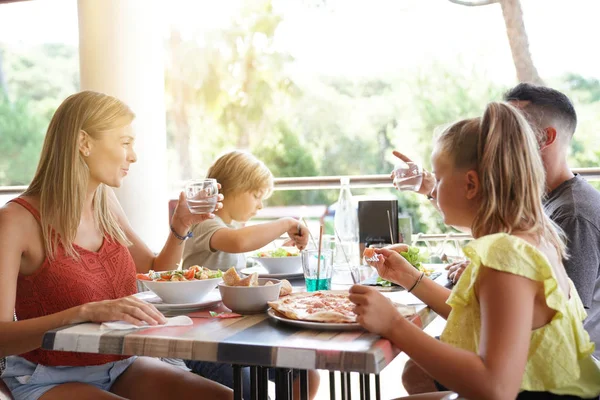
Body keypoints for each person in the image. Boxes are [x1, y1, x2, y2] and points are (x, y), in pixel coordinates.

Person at [350, 102, 600, 399]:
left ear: (470, 184)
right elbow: (485, 315)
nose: (434, 189)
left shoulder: (507, 254)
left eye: (438, 179)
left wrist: (394, 325)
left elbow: (495, 388)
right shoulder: (537, 234)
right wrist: (410, 277)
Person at [0, 91, 232, 400]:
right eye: (125, 143)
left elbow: (154, 269)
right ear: (84, 143)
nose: (133, 156)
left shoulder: (104, 202)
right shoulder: (15, 221)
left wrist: (181, 226)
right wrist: (84, 311)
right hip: (48, 377)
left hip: (120, 364)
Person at [181, 150, 320, 399]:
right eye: (256, 195)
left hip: (234, 332)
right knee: (251, 390)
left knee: (306, 375)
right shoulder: (204, 224)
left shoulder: (231, 227)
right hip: (204, 341)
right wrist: (286, 223)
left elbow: (241, 248)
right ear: (232, 187)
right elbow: (239, 242)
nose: (260, 205)